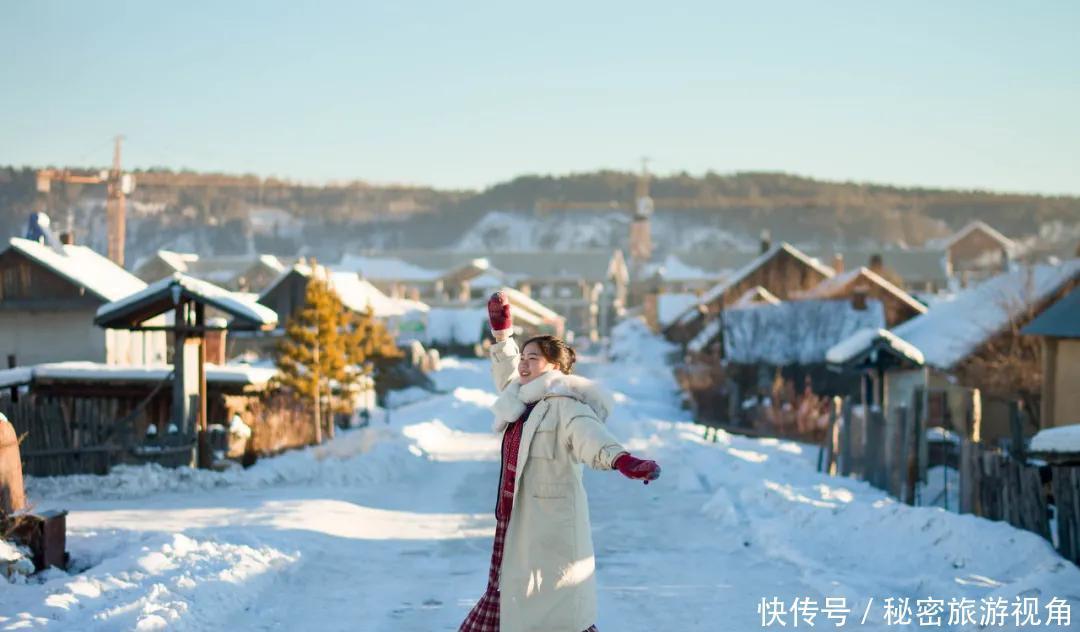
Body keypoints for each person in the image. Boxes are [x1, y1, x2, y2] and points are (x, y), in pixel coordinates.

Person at [459, 292, 661, 632]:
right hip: (517, 521)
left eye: (533, 358)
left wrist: (621, 460)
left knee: (553, 612)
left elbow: (589, 436)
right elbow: (507, 376)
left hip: (551, 527)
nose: (523, 363)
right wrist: (503, 336)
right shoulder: (521, 399)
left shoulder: (565, 405)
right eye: (523, 356)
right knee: (516, 602)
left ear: (555, 367)